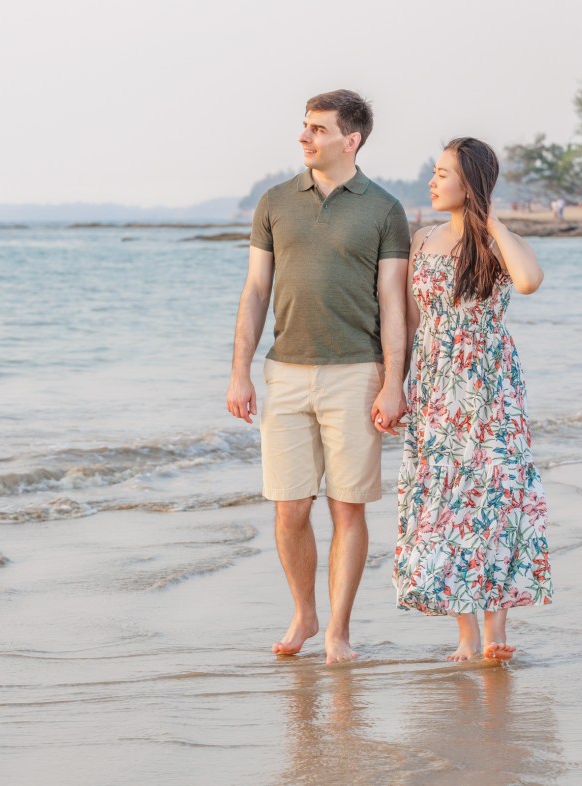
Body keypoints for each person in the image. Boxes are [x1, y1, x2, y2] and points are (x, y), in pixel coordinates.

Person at [226, 89, 411, 664]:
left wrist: (394, 381)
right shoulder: (275, 202)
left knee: (347, 507)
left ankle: (338, 631)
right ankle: (304, 612)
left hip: (357, 373)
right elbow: (256, 291)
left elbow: (393, 303)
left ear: (350, 140)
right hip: (284, 374)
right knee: (289, 508)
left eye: (319, 129)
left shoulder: (384, 210)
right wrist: (240, 373)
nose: (305, 137)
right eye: (304, 126)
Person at [394, 137, 553, 662]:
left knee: (496, 498)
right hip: (436, 387)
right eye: (435, 172)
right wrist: (394, 384)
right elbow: (411, 320)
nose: (433, 182)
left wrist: (491, 220)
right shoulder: (422, 240)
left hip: (491, 389)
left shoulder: (497, 243)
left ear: (471, 184)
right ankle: (465, 635)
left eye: (443, 174)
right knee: (446, 504)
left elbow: (528, 281)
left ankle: (496, 630)